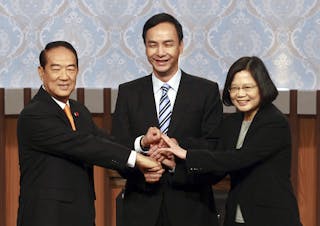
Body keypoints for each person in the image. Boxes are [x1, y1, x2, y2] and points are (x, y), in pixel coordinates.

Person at [16, 41, 162, 226]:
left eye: (70, 69)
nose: (64, 76)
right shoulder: (33, 114)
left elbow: (104, 141)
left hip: (81, 215)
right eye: (56, 69)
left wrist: (142, 144)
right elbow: (84, 145)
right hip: (46, 217)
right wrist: (136, 159)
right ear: (41, 72)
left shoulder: (79, 110)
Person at [157, 56, 302, 226]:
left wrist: (186, 154)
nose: (240, 94)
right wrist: (175, 164)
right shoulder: (232, 123)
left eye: (247, 87)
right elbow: (217, 164)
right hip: (236, 217)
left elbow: (237, 159)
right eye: (234, 88)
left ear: (262, 87)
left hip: (272, 217)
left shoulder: (275, 122)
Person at [112, 13, 223, 226]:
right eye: (152, 45)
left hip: (192, 210)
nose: (160, 52)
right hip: (140, 211)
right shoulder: (128, 92)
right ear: (145, 47)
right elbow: (116, 151)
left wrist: (177, 156)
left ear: (181, 46)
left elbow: (215, 150)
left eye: (168, 44)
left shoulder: (206, 91)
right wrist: (141, 145)